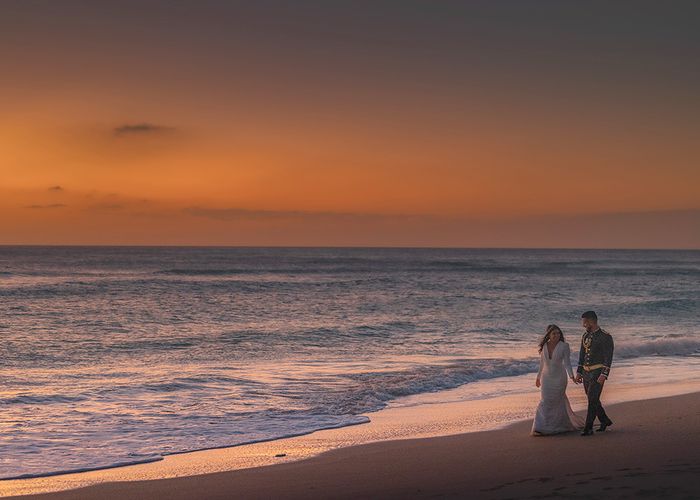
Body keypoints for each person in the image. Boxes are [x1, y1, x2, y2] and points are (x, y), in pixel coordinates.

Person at [531, 324, 584, 435]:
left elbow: (567, 363)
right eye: (554, 333)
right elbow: (542, 364)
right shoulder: (544, 346)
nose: (557, 335)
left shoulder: (564, 346)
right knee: (545, 400)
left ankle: (559, 425)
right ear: (549, 335)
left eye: (558, 333)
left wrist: (572, 376)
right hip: (546, 378)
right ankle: (540, 427)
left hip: (559, 378)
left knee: (557, 401)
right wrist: (538, 378)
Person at [575, 310, 614, 436]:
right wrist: (579, 372)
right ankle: (604, 420)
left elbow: (608, 357)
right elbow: (582, 354)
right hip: (586, 373)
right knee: (593, 399)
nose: (583, 325)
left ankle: (588, 427)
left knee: (592, 399)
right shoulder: (585, 336)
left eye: (585, 323)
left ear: (591, 321)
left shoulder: (605, 336)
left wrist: (604, 374)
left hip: (598, 372)